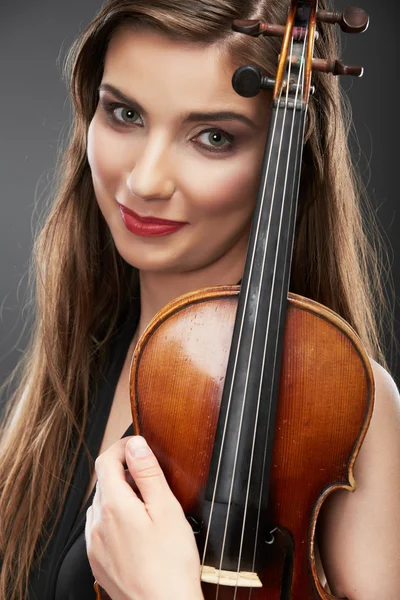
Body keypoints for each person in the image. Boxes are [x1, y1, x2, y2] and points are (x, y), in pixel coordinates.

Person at [0, 0, 399, 598]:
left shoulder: (354, 412)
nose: (145, 181)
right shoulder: (81, 360)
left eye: (213, 137)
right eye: (125, 114)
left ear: (285, 160)